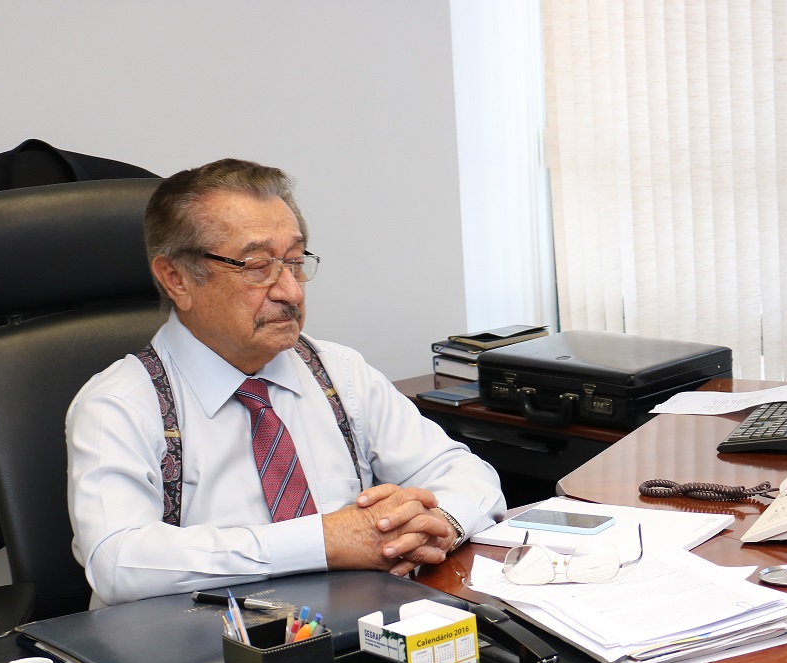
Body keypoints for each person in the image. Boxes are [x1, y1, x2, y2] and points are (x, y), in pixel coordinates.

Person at [68, 159, 506, 606]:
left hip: (354, 627)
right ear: (176, 279)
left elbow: (467, 472)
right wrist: (322, 540)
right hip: (200, 650)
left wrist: (442, 521)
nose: (291, 292)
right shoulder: (118, 405)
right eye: (257, 266)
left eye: (295, 262)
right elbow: (117, 562)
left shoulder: (338, 371)